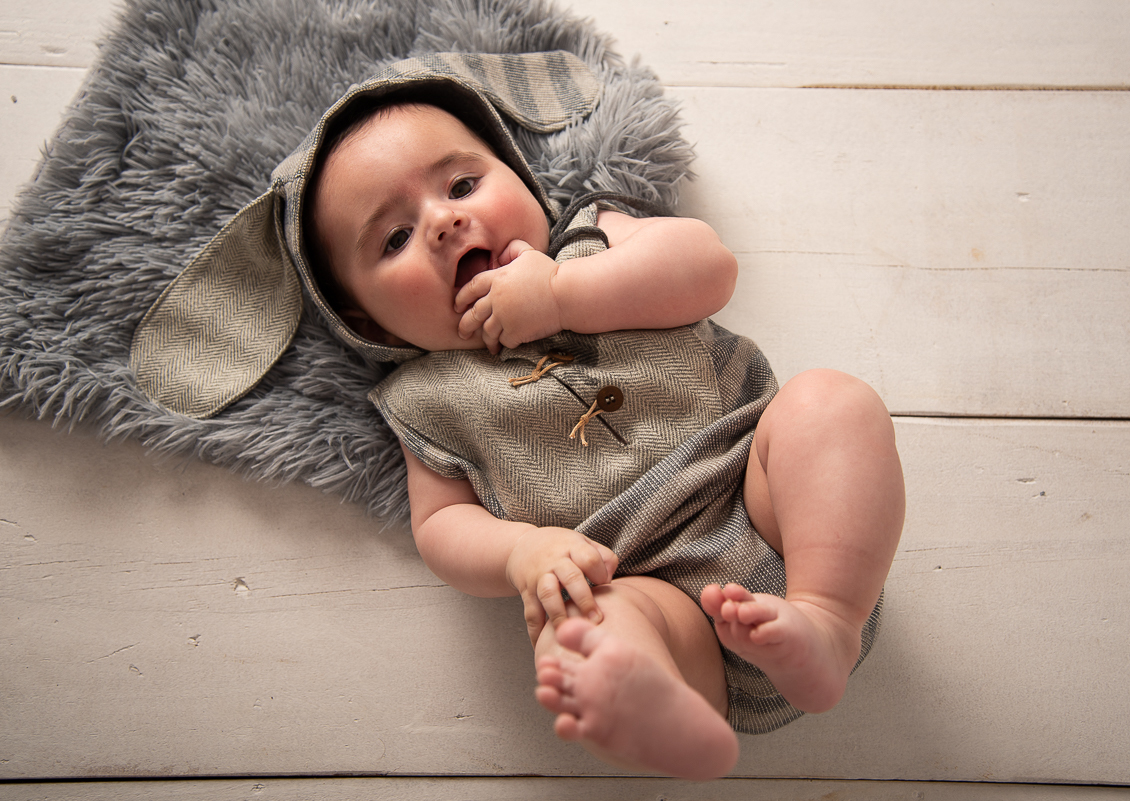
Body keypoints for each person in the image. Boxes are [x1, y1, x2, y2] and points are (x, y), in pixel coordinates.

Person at [301, 98, 906, 781]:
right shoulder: (424, 400)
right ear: (372, 323)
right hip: (643, 588)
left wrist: (561, 290)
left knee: (829, 403)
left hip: (760, 493)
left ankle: (828, 620)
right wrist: (521, 552)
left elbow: (708, 267)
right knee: (577, 630)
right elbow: (441, 523)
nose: (444, 222)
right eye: (394, 238)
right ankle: (658, 709)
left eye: (463, 185)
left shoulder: (592, 239)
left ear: (523, 179)